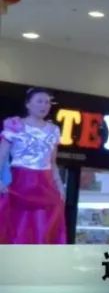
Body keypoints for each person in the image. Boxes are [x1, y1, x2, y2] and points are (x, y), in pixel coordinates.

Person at [0, 88, 66, 244]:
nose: (44, 105)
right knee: (18, 227)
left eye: (47, 102)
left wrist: (59, 185)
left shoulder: (53, 130)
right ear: (28, 104)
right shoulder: (15, 125)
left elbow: (52, 162)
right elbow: (2, 156)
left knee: (44, 228)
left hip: (45, 184)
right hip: (20, 182)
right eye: (40, 101)